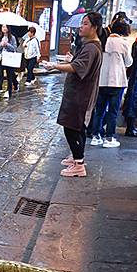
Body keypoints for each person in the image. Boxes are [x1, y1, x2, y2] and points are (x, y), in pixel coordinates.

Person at [44, 12, 103, 177]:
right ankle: (77, 157)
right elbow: (78, 63)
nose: (81, 27)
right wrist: (72, 58)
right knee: (77, 127)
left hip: (80, 96)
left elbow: (76, 68)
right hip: (79, 94)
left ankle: (79, 163)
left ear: (94, 28)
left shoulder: (91, 47)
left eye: (85, 24)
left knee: (71, 127)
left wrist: (54, 65)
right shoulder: (90, 45)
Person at [91, 19, 133, 148]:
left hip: (102, 81)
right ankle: (109, 138)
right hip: (117, 81)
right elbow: (129, 62)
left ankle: (95, 136)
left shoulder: (103, 41)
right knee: (113, 112)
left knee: (99, 110)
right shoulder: (123, 43)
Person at [0, 25, 18, 99]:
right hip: (1, 58)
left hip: (9, 59)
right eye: (3, 27)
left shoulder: (12, 38)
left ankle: (8, 91)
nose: (4, 28)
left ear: (8, 28)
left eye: (6, 27)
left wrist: (7, 44)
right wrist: (1, 45)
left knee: (9, 75)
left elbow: (14, 49)